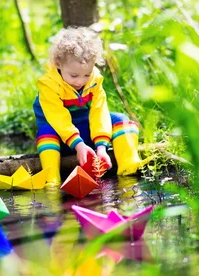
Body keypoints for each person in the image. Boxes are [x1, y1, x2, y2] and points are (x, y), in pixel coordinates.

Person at [33, 27, 145, 185]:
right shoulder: (48, 85)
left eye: (86, 74)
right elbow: (58, 119)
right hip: (61, 139)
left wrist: (101, 147)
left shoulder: (95, 81)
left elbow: (99, 112)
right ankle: (52, 179)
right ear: (58, 64)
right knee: (46, 130)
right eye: (74, 75)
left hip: (89, 131)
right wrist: (78, 145)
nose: (80, 81)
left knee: (121, 119)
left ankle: (129, 165)